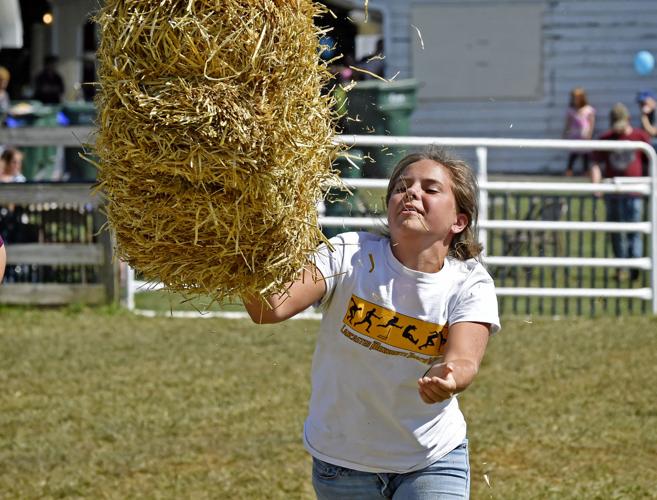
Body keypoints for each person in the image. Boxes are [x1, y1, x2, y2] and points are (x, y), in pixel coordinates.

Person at [243, 148, 500, 499]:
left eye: (430, 188)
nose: (411, 193)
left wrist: (450, 377)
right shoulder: (350, 253)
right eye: (402, 187)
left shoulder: (469, 283)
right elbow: (270, 308)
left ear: (459, 220)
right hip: (343, 462)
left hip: (430, 458)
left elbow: (464, 360)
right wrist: (236, 244)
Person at [590, 103, 651, 281]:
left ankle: (635, 265)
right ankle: (620, 266)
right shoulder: (606, 139)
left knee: (634, 229)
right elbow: (595, 164)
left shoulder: (640, 137)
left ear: (628, 121)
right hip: (613, 192)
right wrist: (596, 186)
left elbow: (649, 163)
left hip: (635, 192)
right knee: (616, 231)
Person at [562, 87, 596, 176]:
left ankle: (586, 171)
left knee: (585, 155)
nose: (575, 100)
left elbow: (591, 123)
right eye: (573, 98)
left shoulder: (588, 109)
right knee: (573, 154)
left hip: (584, 135)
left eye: (577, 98)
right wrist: (565, 132)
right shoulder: (571, 110)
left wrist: (590, 134)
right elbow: (568, 123)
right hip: (574, 135)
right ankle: (569, 170)